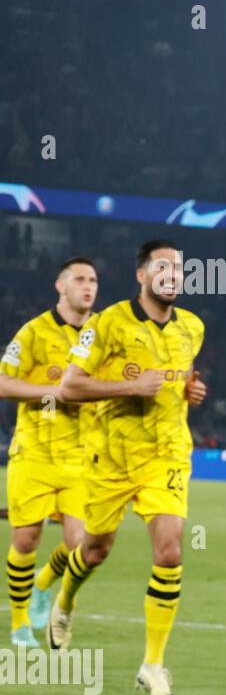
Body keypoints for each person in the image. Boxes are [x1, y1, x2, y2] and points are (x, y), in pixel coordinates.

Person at [50, 240, 207, 695]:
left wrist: (191, 391)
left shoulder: (193, 327)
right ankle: (65, 601)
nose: (173, 273)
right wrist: (130, 385)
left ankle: (153, 665)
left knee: (171, 549)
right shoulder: (107, 323)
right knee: (95, 550)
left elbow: (183, 380)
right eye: (163, 266)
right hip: (112, 458)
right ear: (142, 275)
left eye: (179, 267)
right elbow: (68, 387)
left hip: (169, 454)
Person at [0, 257, 98, 647]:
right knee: (26, 539)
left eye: (93, 280)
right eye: (79, 279)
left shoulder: (104, 333)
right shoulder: (34, 332)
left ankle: (44, 582)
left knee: (84, 547)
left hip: (82, 456)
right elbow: (4, 383)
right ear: (61, 287)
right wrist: (54, 393)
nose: (88, 286)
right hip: (35, 453)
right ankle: (20, 622)